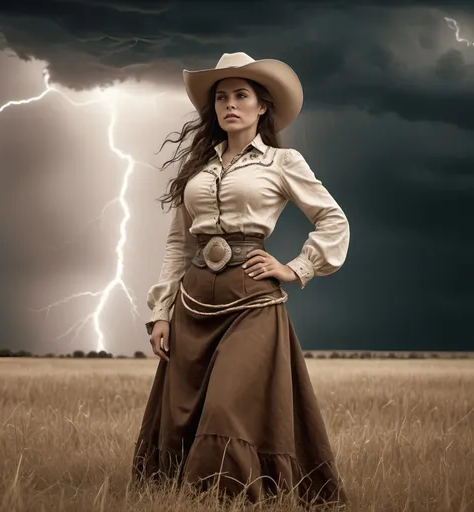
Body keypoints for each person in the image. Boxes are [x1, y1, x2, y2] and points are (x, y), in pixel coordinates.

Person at [131, 52, 350, 507]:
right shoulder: (196, 169)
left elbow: (333, 220)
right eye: (222, 97)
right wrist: (160, 313)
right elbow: (179, 245)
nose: (230, 104)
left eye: (242, 95)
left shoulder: (283, 161)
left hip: (252, 304)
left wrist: (294, 268)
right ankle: (184, 500)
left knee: (226, 407)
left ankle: (231, 497)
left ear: (262, 106)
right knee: (182, 411)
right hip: (191, 305)